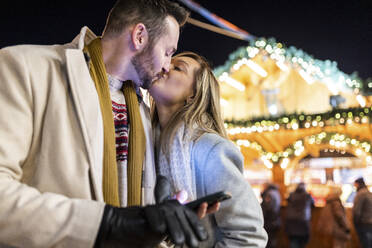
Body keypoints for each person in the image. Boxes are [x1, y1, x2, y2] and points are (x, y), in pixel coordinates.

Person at [0, 1, 212, 247]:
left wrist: (162, 222)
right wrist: (107, 224)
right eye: (167, 52)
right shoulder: (25, 67)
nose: (167, 65)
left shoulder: (141, 109)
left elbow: (136, 216)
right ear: (140, 36)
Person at [149, 51, 268, 247]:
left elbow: (249, 237)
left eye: (177, 67)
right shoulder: (147, 142)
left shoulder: (210, 149)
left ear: (193, 94)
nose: (165, 67)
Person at [284, 182, 314, 248]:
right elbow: (313, 203)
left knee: (293, 241)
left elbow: (286, 200)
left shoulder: (291, 195)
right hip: (303, 221)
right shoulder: (307, 195)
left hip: (291, 221)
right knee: (303, 242)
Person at [353, 177, 372, 248]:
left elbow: (356, 211)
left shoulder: (360, 194)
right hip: (369, 222)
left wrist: (355, 223)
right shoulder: (368, 192)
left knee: (366, 244)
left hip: (364, 223)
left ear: (358, 184)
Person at [261, 183, 281, 248]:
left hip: (269, 221)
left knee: (269, 240)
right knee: (272, 239)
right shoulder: (276, 192)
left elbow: (267, 207)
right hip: (275, 220)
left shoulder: (269, 194)